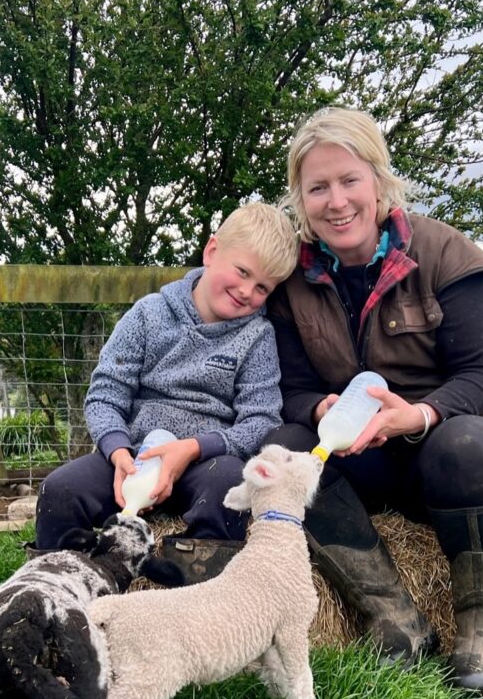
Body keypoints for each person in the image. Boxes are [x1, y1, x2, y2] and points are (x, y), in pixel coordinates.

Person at [263, 107, 483, 699]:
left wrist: (418, 415)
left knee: (466, 444)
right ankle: (397, 620)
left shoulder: (447, 255)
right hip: (365, 458)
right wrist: (320, 408)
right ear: (300, 200)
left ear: (380, 182)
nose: (336, 201)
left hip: (464, 456)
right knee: (286, 450)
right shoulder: (293, 280)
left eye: (349, 180)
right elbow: (292, 387)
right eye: (318, 188)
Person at [35, 202, 299, 582]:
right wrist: (117, 451)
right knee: (59, 491)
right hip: (134, 456)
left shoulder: (257, 336)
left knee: (229, 486)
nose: (246, 291)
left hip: (204, 462)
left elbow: (261, 419)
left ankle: (196, 595)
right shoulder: (149, 314)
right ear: (212, 251)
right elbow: (105, 393)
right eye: (242, 272)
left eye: (262, 288)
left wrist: (194, 447)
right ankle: (60, 592)